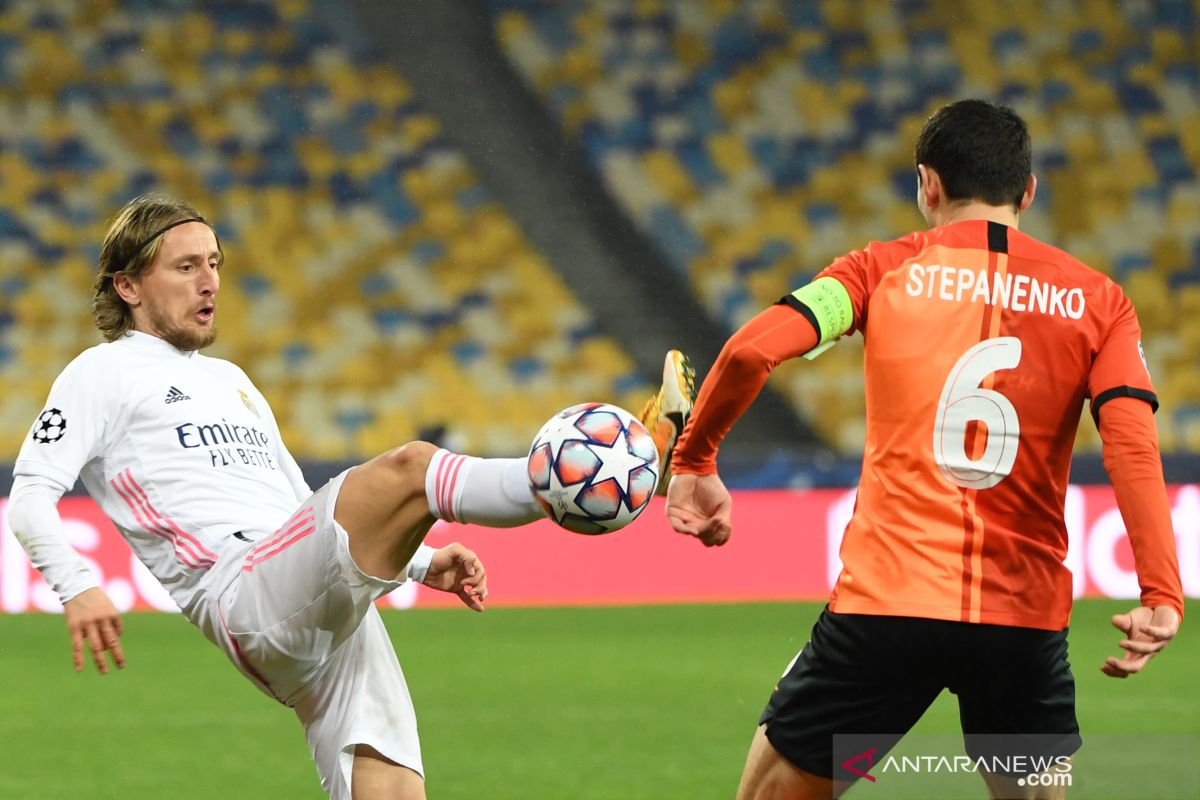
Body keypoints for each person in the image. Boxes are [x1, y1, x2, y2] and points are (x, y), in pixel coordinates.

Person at [6, 194, 694, 800]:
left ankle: (598, 478)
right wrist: (77, 585)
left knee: (390, 778)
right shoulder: (101, 373)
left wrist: (421, 564)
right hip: (242, 591)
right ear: (127, 285)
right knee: (409, 469)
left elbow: (300, 502)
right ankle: (595, 475)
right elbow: (32, 491)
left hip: (303, 585)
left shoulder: (232, 380)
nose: (210, 281)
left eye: (214, 263)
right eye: (185, 267)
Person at [665, 99, 1184, 800]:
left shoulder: (877, 271)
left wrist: (696, 459)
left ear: (927, 185)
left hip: (886, 618)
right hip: (1018, 626)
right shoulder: (1100, 302)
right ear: (1027, 191)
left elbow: (752, 351)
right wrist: (1159, 588)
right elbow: (1132, 445)